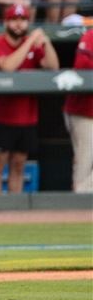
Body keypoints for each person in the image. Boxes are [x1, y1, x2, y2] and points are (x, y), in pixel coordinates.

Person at [0, 4, 59, 193]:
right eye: (14, 20)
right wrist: (30, 40)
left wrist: (46, 42)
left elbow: (53, 67)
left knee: (18, 166)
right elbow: (8, 66)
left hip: (27, 117)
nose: (19, 24)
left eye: (23, 20)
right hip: (0, 117)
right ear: (6, 22)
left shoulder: (32, 43)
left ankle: (13, 212)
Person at [65, 30, 93, 193]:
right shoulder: (91, 35)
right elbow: (82, 65)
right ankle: (80, 200)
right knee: (85, 160)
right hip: (83, 111)